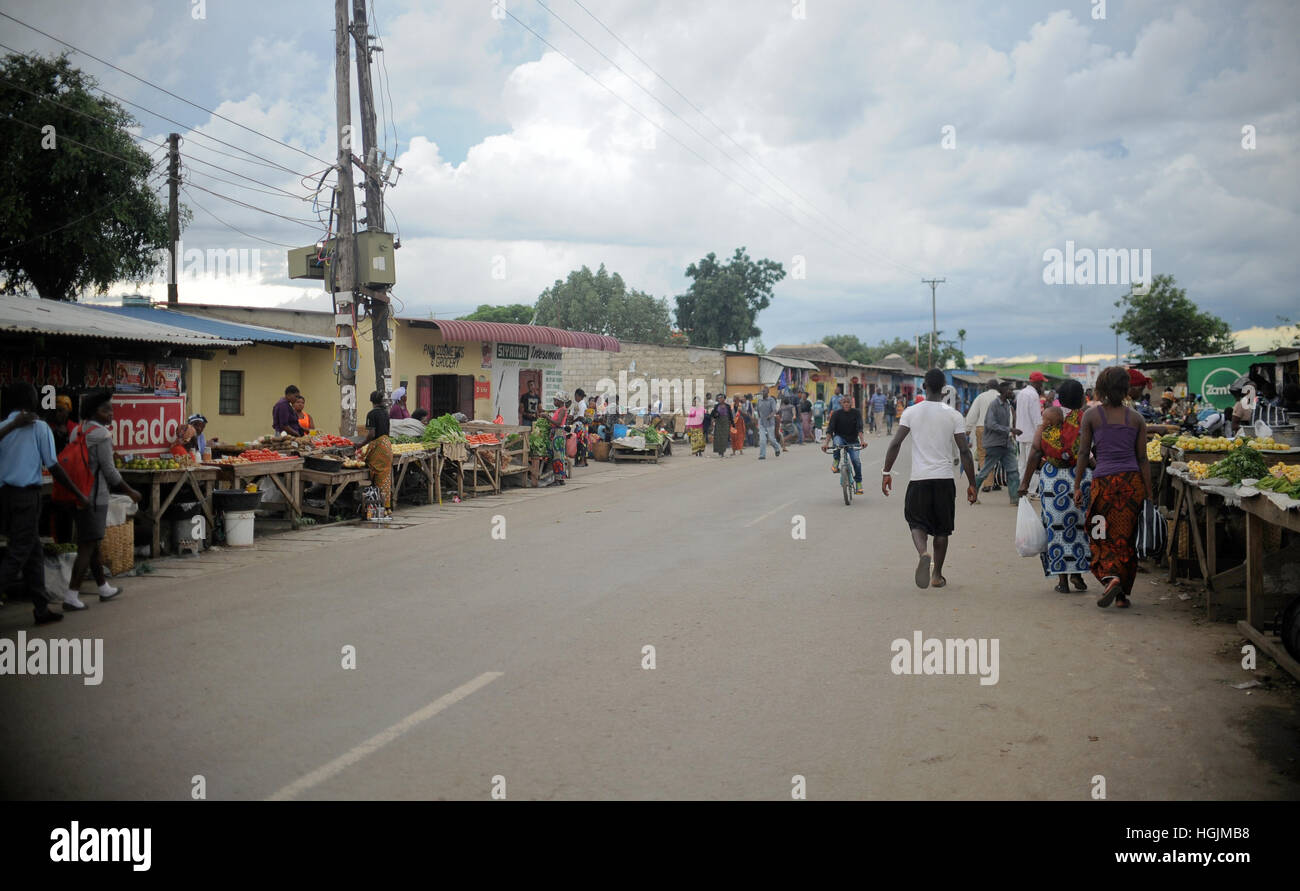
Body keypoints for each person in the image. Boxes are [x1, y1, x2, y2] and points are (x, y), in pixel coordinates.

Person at [0, 383, 92, 624]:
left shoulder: (3, 427)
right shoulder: (39, 427)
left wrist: (11, 426)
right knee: (18, 553)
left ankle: (41, 609)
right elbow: (53, 465)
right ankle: (40, 608)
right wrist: (78, 494)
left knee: (33, 553)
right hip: (26, 497)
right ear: (30, 401)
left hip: (5, 498)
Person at [881, 369, 977, 590]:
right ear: (944, 389)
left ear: (924, 387)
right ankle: (936, 575)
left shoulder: (911, 412)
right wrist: (972, 484)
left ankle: (923, 553)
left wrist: (886, 472)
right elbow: (964, 451)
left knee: (916, 522)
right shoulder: (953, 415)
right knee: (942, 530)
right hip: (944, 480)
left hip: (919, 479)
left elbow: (895, 443)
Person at [1074, 366, 1151, 609]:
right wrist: (1149, 493)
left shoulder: (1092, 416)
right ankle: (1121, 595)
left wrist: (1077, 485)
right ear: (1126, 389)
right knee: (1126, 537)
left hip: (1104, 485)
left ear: (1102, 389)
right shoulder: (1136, 419)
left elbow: (1084, 453)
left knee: (1099, 533)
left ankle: (1111, 576)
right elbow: (1143, 459)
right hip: (1131, 484)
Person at [64, 390, 143, 611]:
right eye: (106, 410)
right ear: (93, 412)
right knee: (87, 546)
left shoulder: (78, 431)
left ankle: (103, 586)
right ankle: (71, 595)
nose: (111, 414)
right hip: (94, 497)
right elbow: (110, 472)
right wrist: (130, 492)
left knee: (92, 542)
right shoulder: (102, 436)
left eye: (112, 409)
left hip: (76, 493)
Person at [1019, 380, 1091, 593]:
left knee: (1056, 528)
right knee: (1078, 527)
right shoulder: (1086, 418)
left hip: (1053, 481)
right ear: (1082, 398)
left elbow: (1035, 452)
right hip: (1080, 478)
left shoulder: (1050, 418)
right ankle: (1078, 573)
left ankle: (1062, 581)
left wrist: (1024, 483)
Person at [971, 381, 1020, 503]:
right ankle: (973, 493)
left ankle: (1015, 499)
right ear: (1003, 391)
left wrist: (1011, 434)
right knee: (985, 471)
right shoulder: (994, 405)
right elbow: (991, 424)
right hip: (994, 444)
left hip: (1006, 443)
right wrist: (1010, 429)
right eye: (1009, 390)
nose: (1012, 392)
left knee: (1013, 470)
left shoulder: (1007, 404)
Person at [357, 390, 393, 516]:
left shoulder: (372, 414)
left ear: (372, 401)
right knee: (385, 477)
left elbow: (371, 434)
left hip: (379, 447)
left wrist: (360, 445)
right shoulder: (385, 413)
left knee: (377, 474)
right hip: (387, 446)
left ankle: (379, 507)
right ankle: (386, 507)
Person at [823, 392, 867, 494]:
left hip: (853, 441)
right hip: (840, 438)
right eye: (844, 402)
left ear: (851, 403)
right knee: (837, 442)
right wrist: (825, 443)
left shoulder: (856, 413)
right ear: (841, 403)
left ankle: (859, 483)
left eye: (848, 402)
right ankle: (836, 460)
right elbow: (830, 430)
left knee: (856, 461)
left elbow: (860, 428)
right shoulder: (836, 414)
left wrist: (862, 441)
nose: (846, 404)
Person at [965, 379, 1001, 493]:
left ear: (987, 387)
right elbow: (1008, 414)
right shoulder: (1002, 397)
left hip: (982, 428)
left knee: (983, 456)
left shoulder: (980, 397)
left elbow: (972, 414)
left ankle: (987, 482)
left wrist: (967, 429)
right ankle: (992, 482)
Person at [1015, 373, 1045, 492]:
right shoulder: (1033, 395)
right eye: (1041, 383)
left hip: (1021, 434)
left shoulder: (1022, 393)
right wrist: (1041, 434)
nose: (1042, 385)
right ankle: (1031, 490)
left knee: (1022, 463)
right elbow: (1036, 418)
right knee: (1031, 463)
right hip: (1031, 435)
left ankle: (1021, 486)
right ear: (1037, 383)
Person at [756, 387, 781, 459]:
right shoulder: (759, 401)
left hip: (770, 422)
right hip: (761, 423)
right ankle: (762, 455)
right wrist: (760, 419)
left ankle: (777, 448)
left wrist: (770, 416)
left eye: (764, 391)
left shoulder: (771, 400)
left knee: (771, 439)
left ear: (768, 392)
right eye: (762, 391)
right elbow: (758, 411)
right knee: (762, 440)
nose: (763, 393)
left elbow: (774, 410)